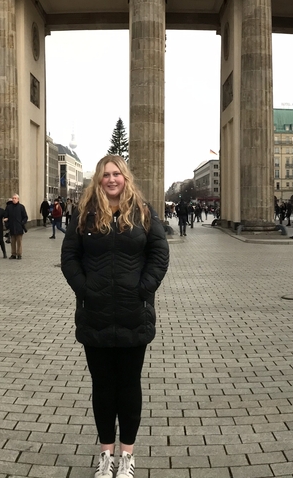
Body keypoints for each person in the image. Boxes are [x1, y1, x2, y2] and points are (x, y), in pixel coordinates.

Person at [60, 154, 170, 478]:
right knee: (103, 387)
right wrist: (85, 289)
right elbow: (69, 257)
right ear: (98, 179)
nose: (111, 179)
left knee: (129, 386)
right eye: (106, 174)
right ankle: (105, 455)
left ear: (125, 178)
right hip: (95, 315)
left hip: (133, 314)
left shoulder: (143, 213)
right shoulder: (85, 214)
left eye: (116, 174)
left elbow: (160, 253)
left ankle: (127, 456)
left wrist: (144, 288)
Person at [6, 194, 29, 260]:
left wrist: (22, 222)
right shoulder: (9, 207)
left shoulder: (21, 207)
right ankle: (13, 254)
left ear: (18, 199)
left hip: (19, 227)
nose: (14, 199)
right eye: (13, 198)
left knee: (19, 242)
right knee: (12, 242)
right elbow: (6, 216)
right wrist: (7, 224)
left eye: (15, 198)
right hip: (12, 227)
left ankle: (19, 254)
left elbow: (25, 217)